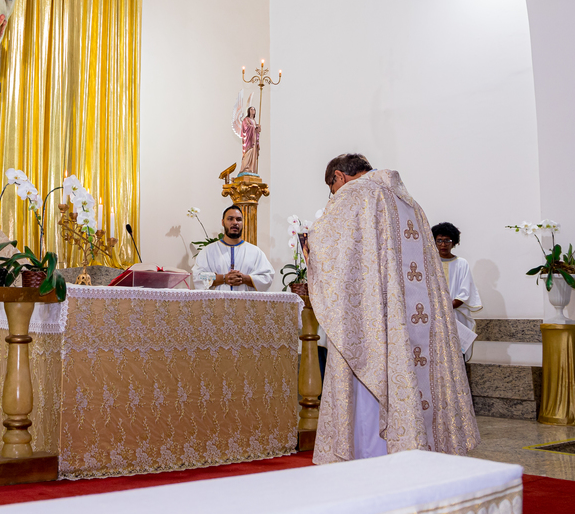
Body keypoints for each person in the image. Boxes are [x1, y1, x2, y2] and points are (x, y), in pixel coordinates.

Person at [306, 153, 478, 462]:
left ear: (340, 178)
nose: (333, 194)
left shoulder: (356, 193)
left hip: (375, 318)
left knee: (369, 376)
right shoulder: (409, 202)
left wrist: (308, 245)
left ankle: (369, 454)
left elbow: (329, 247)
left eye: (331, 187)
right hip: (412, 318)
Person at [191, 206, 275, 291]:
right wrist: (223, 278)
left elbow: (267, 277)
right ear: (223, 222)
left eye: (238, 219)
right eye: (230, 219)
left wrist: (244, 278)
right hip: (218, 303)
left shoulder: (255, 252)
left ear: (243, 223)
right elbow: (198, 276)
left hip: (245, 303)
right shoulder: (208, 251)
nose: (235, 223)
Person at [432, 222, 481, 361]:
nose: (443, 244)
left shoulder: (461, 263)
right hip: (433, 316)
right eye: (439, 240)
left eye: (447, 240)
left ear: (454, 242)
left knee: (457, 355)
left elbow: (465, 292)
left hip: (456, 316)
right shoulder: (428, 263)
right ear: (433, 242)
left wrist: (446, 308)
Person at [238, 106, 260, 175]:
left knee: (254, 154)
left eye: (254, 109)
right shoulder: (246, 119)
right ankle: (245, 168)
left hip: (254, 140)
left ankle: (251, 169)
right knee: (248, 153)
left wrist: (258, 128)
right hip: (249, 141)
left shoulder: (254, 121)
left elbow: (256, 131)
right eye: (251, 109)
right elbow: (246, 127)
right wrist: (254, 127)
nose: (253, 110)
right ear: (249, 111)